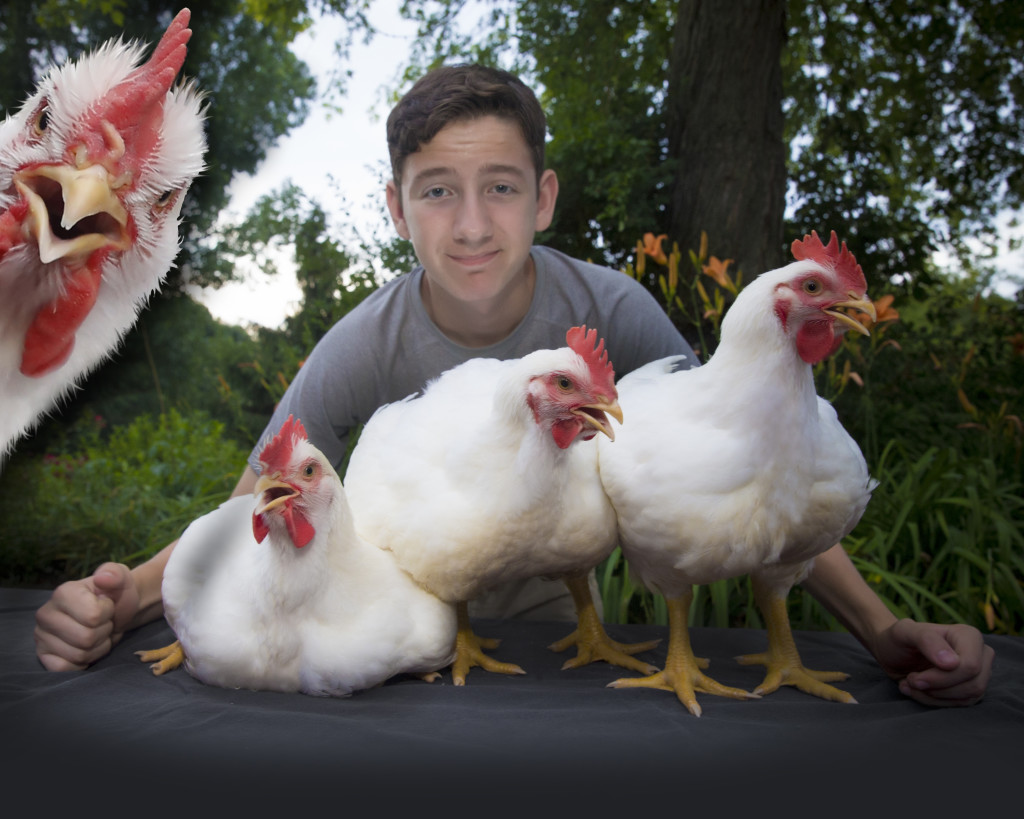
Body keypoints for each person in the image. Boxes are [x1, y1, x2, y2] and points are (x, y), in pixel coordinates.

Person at [33, 64, 993, 707]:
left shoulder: (610, 308)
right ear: (398, 209)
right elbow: (261, 493)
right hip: (408, 618)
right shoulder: (366, 339)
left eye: (500, 186)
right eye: (437, 190)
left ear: (543, 197)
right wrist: (124, 603)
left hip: (558, 628)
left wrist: (882, 627)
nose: (471, 224)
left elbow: (752, 467)